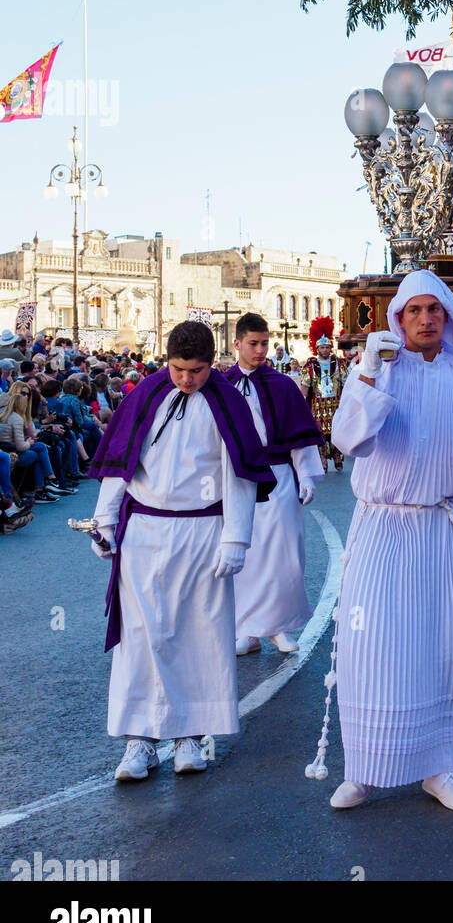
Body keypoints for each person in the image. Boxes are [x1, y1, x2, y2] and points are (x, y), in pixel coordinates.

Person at [319, 271, 453, 812]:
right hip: (380, 527)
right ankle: (364, 766)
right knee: (371, 646)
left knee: (438, 646)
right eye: (414, 311)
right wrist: (371, 376)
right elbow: (351, 439)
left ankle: (439, 767)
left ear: (447, 319)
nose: (426, 319)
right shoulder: (375, 368)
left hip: (436, 529)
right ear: (398, 320)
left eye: (435, 310)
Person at [87, 320, 275, 782]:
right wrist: (105, 522)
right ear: (166, 359)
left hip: (203, 532)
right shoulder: (145, 394)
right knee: (143, 635)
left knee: (198, 634)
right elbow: (119, 466)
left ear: (213, 364)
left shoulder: (228, 402)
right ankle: (139, 742)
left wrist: (236, 538)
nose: (186, 380)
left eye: (196, 371)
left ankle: (190, 735)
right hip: (146, 530)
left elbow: (240, 475)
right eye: (177, 369)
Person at [226, 312, 324, 656]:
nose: (260, 350)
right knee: (246, 555)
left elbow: (300, 435)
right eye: (253, 344)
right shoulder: (222, 387)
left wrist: (308, 475)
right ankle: (249, 630)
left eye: (265, 343)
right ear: (236, 344)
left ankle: (280, 628)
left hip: (280, 476)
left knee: (284, 554)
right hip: (239, 479)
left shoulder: (283, 386)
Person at [302, 317, 345, 471]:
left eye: (327, 347)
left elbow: (346, 385)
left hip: (336, 403)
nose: (325, 350)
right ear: (317, 349)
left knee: (336, 431)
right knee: (319, 435)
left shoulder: (339, 365)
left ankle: (337, 455)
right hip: (317, 405)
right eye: (322, 348)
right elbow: (305, 388)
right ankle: (322, 460)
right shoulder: (310, 366)